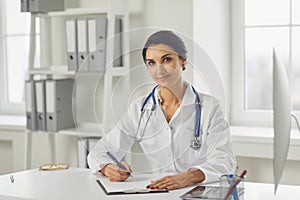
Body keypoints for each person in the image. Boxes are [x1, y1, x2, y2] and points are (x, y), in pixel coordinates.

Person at [87, 30, 236, 190]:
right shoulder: (140, 108)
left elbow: (225, 161)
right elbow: (99, 152)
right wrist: (108, 168)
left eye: (166, 60)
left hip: (198, 192)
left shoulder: (210, 107)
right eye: (151, 63)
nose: (159, 70)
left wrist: (188, 176)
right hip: (158, 191)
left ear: (183, 61)